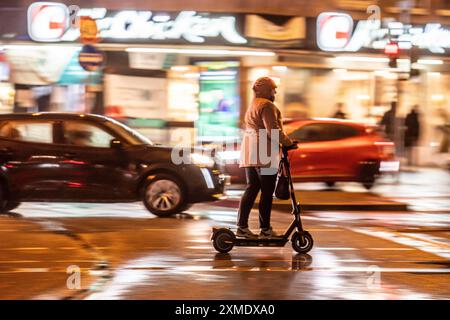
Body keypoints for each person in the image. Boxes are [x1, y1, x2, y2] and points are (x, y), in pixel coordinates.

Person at [237, 77, 297, 239]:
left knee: (251, 189)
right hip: (264, 154)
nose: (275, 92)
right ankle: (265, 230)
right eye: (273, 89)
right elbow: (273, 130)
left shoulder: (252, 105)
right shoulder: (267, 105)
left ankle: (242, 227)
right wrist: (289, 143)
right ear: (264, 90)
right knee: (267, 192)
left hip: (250, 153)